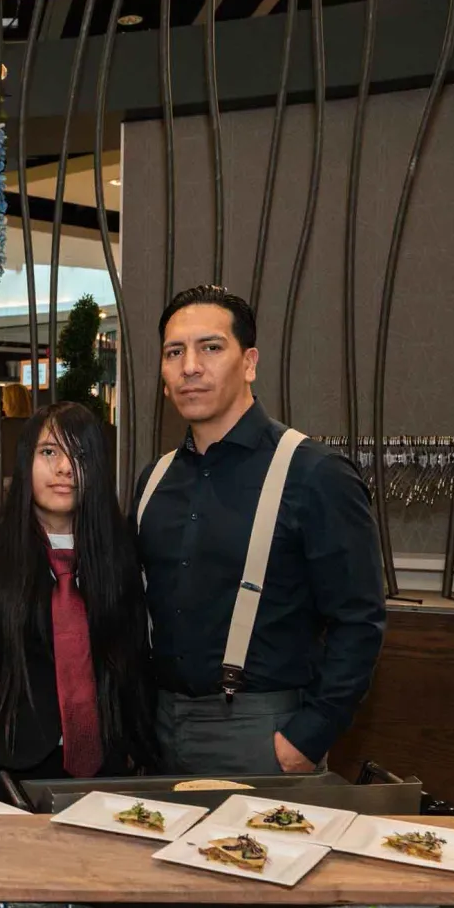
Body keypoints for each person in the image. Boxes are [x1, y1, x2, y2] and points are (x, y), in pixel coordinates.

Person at [132, 285, 385, 779]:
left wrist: (307, 738)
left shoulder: (315, 474)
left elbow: (360, 621)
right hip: (159, 732)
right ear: (162, 376)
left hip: (263, 734)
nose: (190, 367)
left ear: (249, 363)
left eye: (210, 347)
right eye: (174, 352)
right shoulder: (154, 480)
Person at [0, 402, 153, 795]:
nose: (64, 468)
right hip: (5, 759)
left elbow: (134, 655)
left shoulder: (120, 548)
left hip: (106, 764)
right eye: (49, 452)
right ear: (26, 462)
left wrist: (136, 746)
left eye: (81, 454)